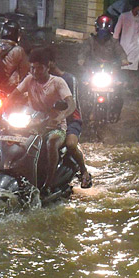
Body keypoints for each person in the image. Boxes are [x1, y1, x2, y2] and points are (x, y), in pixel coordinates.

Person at [9, 48, 75, 189]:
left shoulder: (58, 82)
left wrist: (61, 116)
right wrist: (3, 112)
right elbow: (13, 96)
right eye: (32, 68)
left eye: (39, 68)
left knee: (51, 143)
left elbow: (71, 104)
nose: (34, 72)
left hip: (54, 127)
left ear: (47, 67)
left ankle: (48, 183)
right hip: (32, 125)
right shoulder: (29, 80)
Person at [48, 58, 93, 188]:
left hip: (71, 119)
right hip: (49, 119)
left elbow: (70, 102)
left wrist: (60, 112)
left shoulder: (68, 79)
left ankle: (84, 171)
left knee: (71, 144)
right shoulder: (39, 80)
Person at [112, 0, 139, 73]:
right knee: (122, 67)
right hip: (124, 46)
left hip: (135, 47)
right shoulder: (124, 16)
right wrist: (114, 45)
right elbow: (116, 32)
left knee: (132, 69)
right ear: (137, 7)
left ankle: (128, 83)